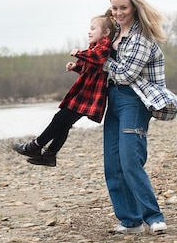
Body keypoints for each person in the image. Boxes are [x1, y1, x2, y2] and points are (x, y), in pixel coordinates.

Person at [102, 0, 177, 235]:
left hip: (134, 101)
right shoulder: (113, 34)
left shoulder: (141, 38)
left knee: (130, 161)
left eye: (123, 7)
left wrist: (102, 61)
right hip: (112, 100)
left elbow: (125, 75)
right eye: (114, 8)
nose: (118, 12)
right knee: (112, 166)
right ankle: (130, 221)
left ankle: (154, 217)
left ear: (134, 7)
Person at [13, 10, 116, 167]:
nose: (89, 31)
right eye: (89, 28)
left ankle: (35, 145)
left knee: (60, 118)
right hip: (85, 92)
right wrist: (76, 66)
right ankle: (49, 155)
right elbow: (90, 67)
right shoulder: (94, 45)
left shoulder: (105, 45)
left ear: (106, 32)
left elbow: (98, 58)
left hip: (90, 95)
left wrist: (79, 53)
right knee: (64, 123)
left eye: (93, 28)